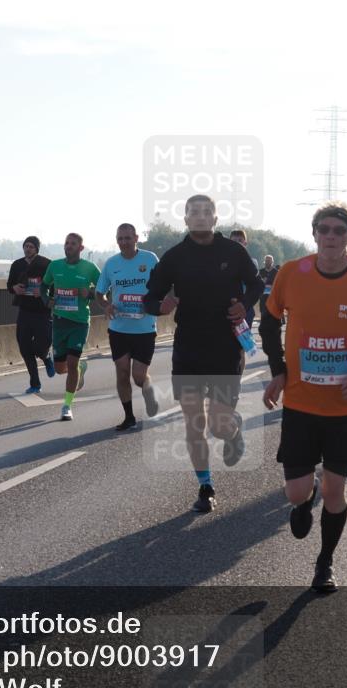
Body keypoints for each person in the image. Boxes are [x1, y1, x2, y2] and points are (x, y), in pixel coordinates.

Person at [261, 202, 347, 592]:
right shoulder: (292, 273)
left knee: (336, 490)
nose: (332, 237)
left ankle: (325, 563)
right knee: (296, 490)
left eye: (340, 231)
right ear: (315, 234)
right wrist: (278, 369)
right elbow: (269, 321)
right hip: (301, 405)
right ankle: (304, 502)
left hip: (346, 408)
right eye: (325, 229)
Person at [143, 195, 263, 513]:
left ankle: (232, 434)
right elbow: (149, 299)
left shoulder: (233, 251)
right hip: (189, 351)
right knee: (194, 424)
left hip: (226, 349)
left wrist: (244, 304)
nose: (200, 216)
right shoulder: (174, 257)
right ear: (185, 219)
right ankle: (205, 486)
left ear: (215, 218)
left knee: (219, 425)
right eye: (193, 212)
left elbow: (256, 284)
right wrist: (161, 306)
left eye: (206, 212)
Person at [95, 223, 162, 430]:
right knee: (122, 372)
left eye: (127, 238)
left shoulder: (150, 259)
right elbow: (100, 293)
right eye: (120, 239)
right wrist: (106, 305)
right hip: (119, 328)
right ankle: (129, 416)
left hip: (144, 328)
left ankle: (148, 391)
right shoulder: (111, 264)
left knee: (139, 376)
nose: (124, 242)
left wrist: (165, 301)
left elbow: (163, 285)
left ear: (136, 238)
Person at [41, 233, 101, 420]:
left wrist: (90, 293)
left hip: (80, 322)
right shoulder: (55, 266)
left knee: (72, 362)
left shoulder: (90, 268)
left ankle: (67, 406)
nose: (69, 246)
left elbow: (104, 288)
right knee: (60, 368)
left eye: (73, 244)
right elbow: (43, 286)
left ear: (81, 248)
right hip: (59, 321)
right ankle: (81, 369)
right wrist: (47, 300)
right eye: (67, 243)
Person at [6, 236, 54, 394]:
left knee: (42, 344)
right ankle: (35, 383)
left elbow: (54, 287)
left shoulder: (46, 264)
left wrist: (42, 292)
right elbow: (9, 285)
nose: (28, 249)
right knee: (24, 347)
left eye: (31, 246)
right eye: (25, 246)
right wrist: (15, 288)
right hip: (24, 311)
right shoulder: (17, 264)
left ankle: (46, 357)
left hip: (42, 312)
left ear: (37, 249)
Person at [257, 254, 278, 320]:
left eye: (269, 261)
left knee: (272, 316)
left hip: (273, 298)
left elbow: (279, 284)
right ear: (264, 262)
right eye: (266, 261)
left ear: (272, 262)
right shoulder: (260, 272)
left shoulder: (276, 272)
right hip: (263, 297)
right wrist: (262, 282)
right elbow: (257, 284)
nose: (267, 262)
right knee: (263, 314)